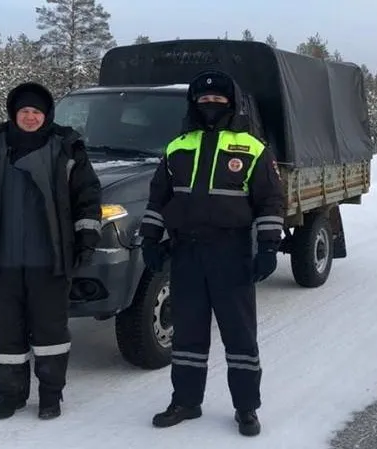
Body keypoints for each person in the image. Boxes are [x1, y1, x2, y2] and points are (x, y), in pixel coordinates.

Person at [139, 69, 285, 437]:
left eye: (218, 100)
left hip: (231, 253)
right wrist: (149, 240)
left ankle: (246, 407)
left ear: (231, 104)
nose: (210, 105)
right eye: (203, 100)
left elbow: (270, 201)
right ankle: (186, 401)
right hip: (186, 253)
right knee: (187, 333)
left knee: (239, 336)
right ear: (193, 104)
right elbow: (159, 199)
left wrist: (268, 246)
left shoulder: (251, 147)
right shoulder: (177, 147)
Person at [0, 81, 102, 420]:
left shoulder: (66, 148)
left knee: (50, 334)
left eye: (36, 112)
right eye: (24, 111)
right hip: (2, 262)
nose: (30, 117)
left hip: (50, 262)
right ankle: (11, 396)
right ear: (13, 114)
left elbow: (87, 198)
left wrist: (88, 238)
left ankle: (50, 397)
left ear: (46, 115)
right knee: (6, 333)